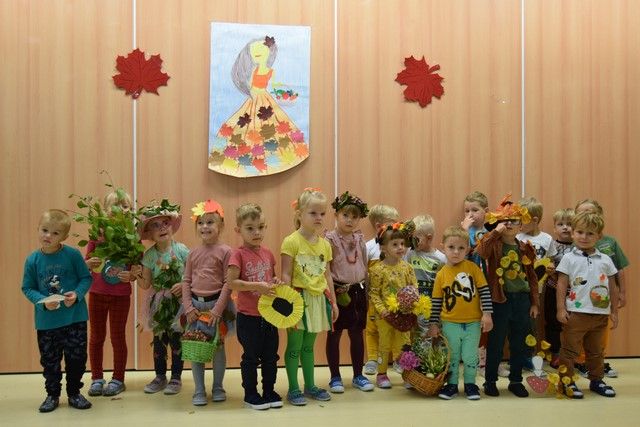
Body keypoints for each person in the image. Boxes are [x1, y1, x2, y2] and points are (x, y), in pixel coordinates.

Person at [22, 209, 93, 412]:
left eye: (55, 233)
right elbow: (27, 288)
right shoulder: (32, 260)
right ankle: (52, 395)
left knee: (77, 359)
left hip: (75, 319)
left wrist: (77, 294)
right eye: (45, 230)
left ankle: (74, 393)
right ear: (38, 229)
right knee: (50, 361)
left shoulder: (72, 255)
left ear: (64, 236)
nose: (48, 236)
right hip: (47, 323)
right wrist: (42, 302)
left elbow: (86, 278)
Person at [209, 35, 308, 176]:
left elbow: (274, 84)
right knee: (245, 124)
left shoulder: (270, 71)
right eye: (253, 51)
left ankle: (272, 157)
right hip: (253, 99)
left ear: (269, 53)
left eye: (260, 50)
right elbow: (249, 84)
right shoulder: (253, 70)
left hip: (264, 98)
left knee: (271, 125)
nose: (256, 54)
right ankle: (244, 155)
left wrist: (284, 92)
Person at [475, 195, 539, 398]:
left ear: (521, 226)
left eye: (514, 221)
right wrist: (495, 232)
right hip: (500, 300)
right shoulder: (494, 245)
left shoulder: (525, 248)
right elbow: (480, 251)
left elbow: (532, 277)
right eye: (505, 220)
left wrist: (534, 303)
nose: (509, 224)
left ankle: (516, 381)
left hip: (521, 300)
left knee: (519, 343)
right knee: (495, 343)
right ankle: (490, 381)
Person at [281, 188, 339, 406]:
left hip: (317, 300)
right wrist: (287, 302)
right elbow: (286, 274)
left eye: (322, 213)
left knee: (308, 346)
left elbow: (327, 275)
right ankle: (293, 389)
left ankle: (310, 385)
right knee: (294, 346)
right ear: (300, 214)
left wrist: (333, 302)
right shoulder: (291, 241)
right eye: (313, 213)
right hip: (297, 300)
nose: (319, 218)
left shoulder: (325, 244)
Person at [556, 211, 618, 398]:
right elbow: (561, 284)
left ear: (599, 236)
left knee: (596, 351)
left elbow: (613, 287)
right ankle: (566, 382)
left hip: (600, 314)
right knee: (569, 350)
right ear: (573, 233)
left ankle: (597, 380)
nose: (584, 237)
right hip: (576, 314)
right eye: (580, 232)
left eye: (590, 233)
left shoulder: (605, 260)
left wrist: (614, 312)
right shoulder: (569, 258)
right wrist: (561, 308)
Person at [227, 203, 283, 410]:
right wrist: (256, 286)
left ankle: (269, 391)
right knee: (251, 357)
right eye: (250, 228)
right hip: (248, 317)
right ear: (238, 230)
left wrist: (275, 282)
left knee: (271, 356)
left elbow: (271, 277)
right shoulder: (238, 255)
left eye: (260, 227)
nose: (256, 232)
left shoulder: (268, 253)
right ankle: (250, 394)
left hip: (269, 315)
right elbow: (232, 283)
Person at [85, 191, 141, 397]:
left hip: (120, 296)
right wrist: (89, 263)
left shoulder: (132, 239)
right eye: (114, 206)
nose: (120, 210)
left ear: (131, 211)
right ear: (104, 211)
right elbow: (87, 263)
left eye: (125, 206)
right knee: (96, 337)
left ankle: (118, 378)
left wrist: (131, 275)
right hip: (97, 293)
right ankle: (96, 378)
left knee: (118, 337)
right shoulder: (96, 235)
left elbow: (136, 269)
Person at [428, 226, 493, 400]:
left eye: (461, 248)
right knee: (453, 355)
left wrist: (487, 314)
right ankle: (452, 385)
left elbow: (484, 291)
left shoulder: (473, 268)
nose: (456, 252)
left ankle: (471, 384)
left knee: (470, 356)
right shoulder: (441, 274)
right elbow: (436, 302)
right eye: (451, 247)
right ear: (443, 247)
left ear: (468, 249)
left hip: (473, 322)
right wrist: (433, 324)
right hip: (449, 323)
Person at [181, 199, 234, 406]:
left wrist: (218, 310)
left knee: (218, 348)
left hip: (216, 307)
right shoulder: (193, 253)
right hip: (195, 308)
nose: (205, 227)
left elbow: (228, 283)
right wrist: (188, 307)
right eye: (201, 223)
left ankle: (218, 387)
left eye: (210, 222)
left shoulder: (226, 251)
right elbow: (186, 281)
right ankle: (199, 390)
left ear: (221, 225)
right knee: (196, 347)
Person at [135, 201, 189, 395]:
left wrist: (183, 285)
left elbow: (193, 275)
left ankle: (176, 377)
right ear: (149, 233)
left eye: (165, 223)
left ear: (171, 226)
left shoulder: (182, 250)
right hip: (158, 303)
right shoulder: (149, 256)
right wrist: (135, 274)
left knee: (177, 339)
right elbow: (145, 284)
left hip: (179, 303)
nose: (162, 228)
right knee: (159, 341)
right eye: (155, 225)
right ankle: (160, 376)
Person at [573, 199, 629, 378]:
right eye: (582, 212)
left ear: (600, 216)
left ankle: (598, 361)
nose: (588, 216)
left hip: (602, 298)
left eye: (592, 212)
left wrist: (622, 293)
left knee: (600, 333)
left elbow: (619, 269)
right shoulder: (577, 242)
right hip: (581, 297)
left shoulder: (610, 242)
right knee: (580, 331)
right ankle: (582, 362)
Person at [325, 191, 373, 393]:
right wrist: (331, 298)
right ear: (336, 215)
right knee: (334, 334)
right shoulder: (329, 240)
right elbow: (326, 270)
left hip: (357, 291)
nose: (350, 220)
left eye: (354, 216)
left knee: (357, 333)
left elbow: (364, 266)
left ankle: (358, 375)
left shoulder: (360, 239)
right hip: (338, 291)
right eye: (345, 215)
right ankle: (335, 376)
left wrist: (367, 293)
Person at [368, 221, 418, 389]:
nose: (400, 247)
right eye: (395, 244)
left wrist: (413, 305)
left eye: (402, 244)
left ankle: (407, 375)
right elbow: (374, 293)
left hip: (404, 314)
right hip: (385, 316)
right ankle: (382, 374)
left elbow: (414, 288)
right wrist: (383, 311)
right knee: (384, 344)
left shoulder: (407, 268)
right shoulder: (377, 270)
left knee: (405, 344)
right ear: (383, 248)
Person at [363, 204, 400, 375]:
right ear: (379, 226)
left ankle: (398, 358)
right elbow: (364, 273)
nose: (397, 227)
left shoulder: (399, 246)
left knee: (397, 328)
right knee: (372, 329)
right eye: (392, 224)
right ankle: (372, 358)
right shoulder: (369, 247)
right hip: (375, 299)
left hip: (395, 299)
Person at [404, 214, 446, 334]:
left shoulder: (441, 259)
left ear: (429, 238)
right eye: (411, 238)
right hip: (413, 303)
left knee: (428, 333)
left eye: (416, 239)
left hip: (431, 305)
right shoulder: (410, 253)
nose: (413, 242)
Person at [543, 208, 575, 367]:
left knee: (574, 324)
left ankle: (572, 355)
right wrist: (548, 268)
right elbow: (544, 263)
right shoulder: (551, 245)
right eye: (561, 224)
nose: (565, 227)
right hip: (553, 289)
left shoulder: (580, 247)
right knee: (553, 322)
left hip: (574, 292)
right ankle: (555, 353)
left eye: (569, 224)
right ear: (554, 228)